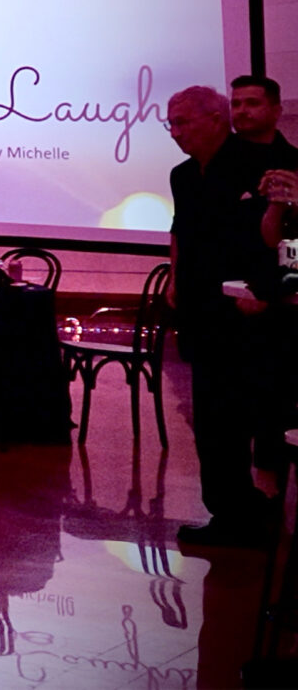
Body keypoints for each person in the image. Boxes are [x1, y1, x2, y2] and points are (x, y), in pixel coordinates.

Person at [166, 84, 285, 546]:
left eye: (184, 123)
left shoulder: (258, 167)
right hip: (201, 308)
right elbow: (180, 230)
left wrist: (268, 293)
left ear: (217, 118)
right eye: (171, 125)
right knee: (212, 420)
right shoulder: (181, 175)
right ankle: (228, 511)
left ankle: (258, 506)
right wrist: (175, 277)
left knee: (251, 412)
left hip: (249, 310)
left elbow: (284, 240)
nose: (176, 133)